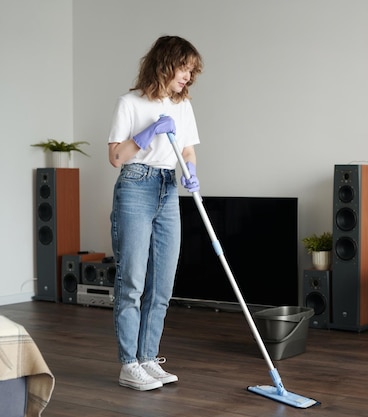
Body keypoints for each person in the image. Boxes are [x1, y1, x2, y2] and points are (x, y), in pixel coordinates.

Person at [107, 35, 203, 391]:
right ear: (166, 63)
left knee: (162, 284)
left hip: (168, 188)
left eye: (192, 71)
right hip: (135, 185)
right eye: (184, 68)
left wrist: (190, 174)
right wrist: (147, 133)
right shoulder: (129, 103)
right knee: (132, 281)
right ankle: (128, 364)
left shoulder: (183, 106)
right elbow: (116, 157)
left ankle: (148, 358)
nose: (188, 77)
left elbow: (188, 151)